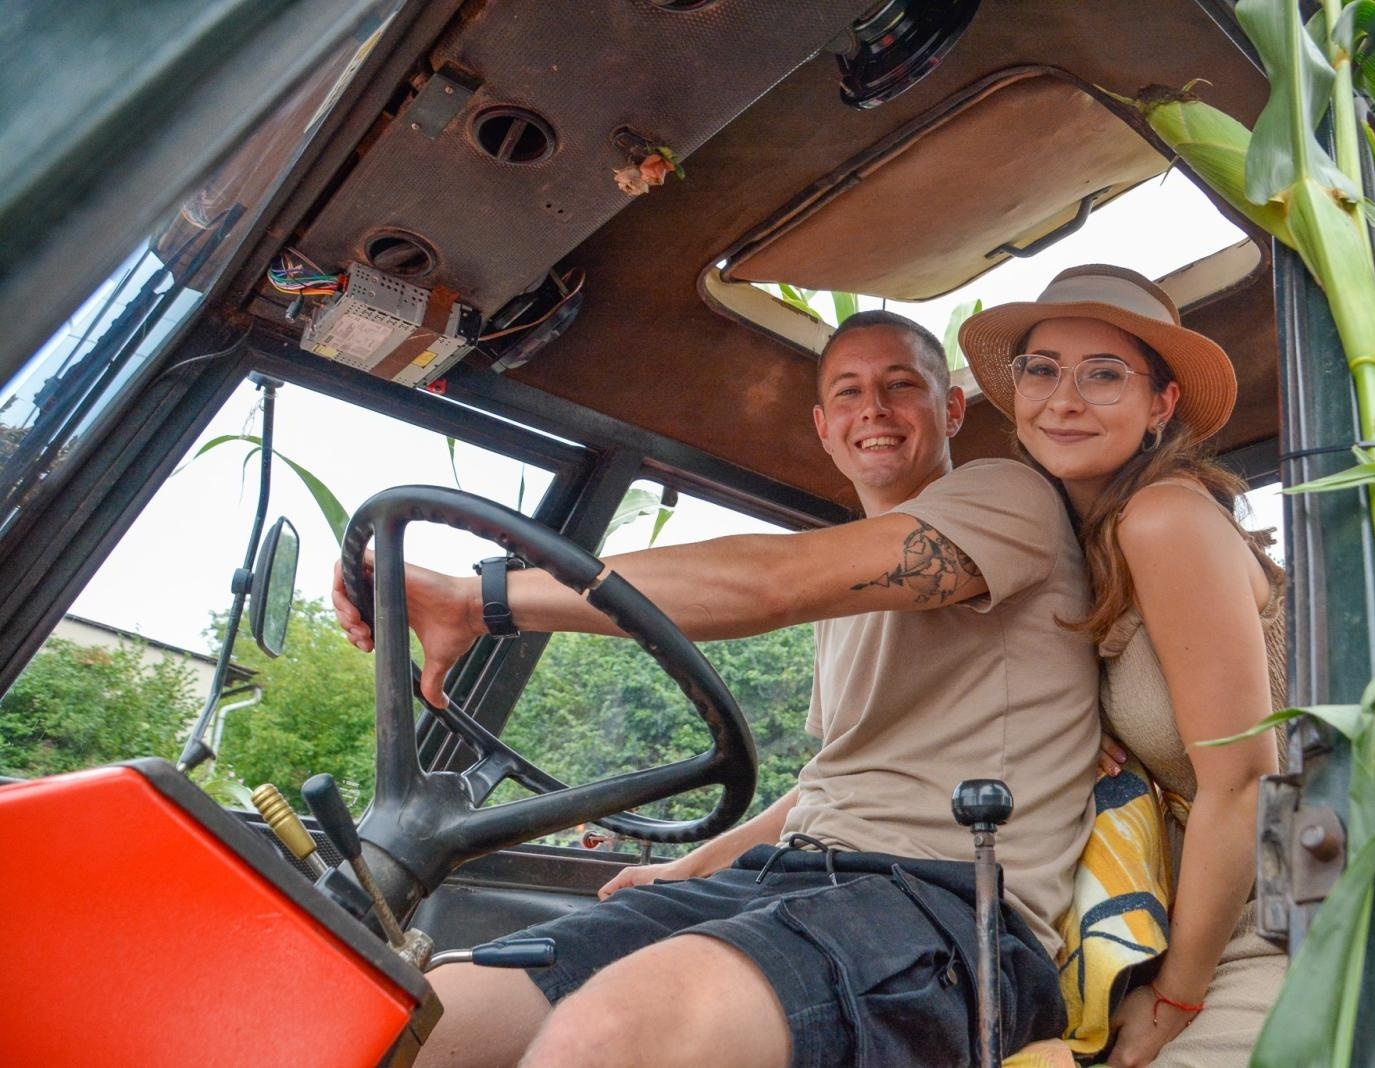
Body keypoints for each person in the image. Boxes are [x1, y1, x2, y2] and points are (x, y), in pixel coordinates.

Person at [333, 310, 1103, 1068]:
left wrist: (480, 601)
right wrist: (691, 866)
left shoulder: (1009, 498)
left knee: (612, 1033)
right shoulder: (854, 599)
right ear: (823, 425)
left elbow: (771, 582)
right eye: (848, 391)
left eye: (901, 385)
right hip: (785, 877)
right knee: (429, 1010)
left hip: (944, 908)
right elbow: (828, 783)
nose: (873, 408)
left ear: (951, 409)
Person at [962, 265, 1288, 1068]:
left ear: (1161, 406)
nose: (1063, 399)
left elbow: (1242, 784)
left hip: (1286, 905)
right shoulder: (1070, 552)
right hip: (1151, 914)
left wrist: (1176, 999)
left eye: (1104, 375)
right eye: (1043, 370)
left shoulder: (1166, 518)